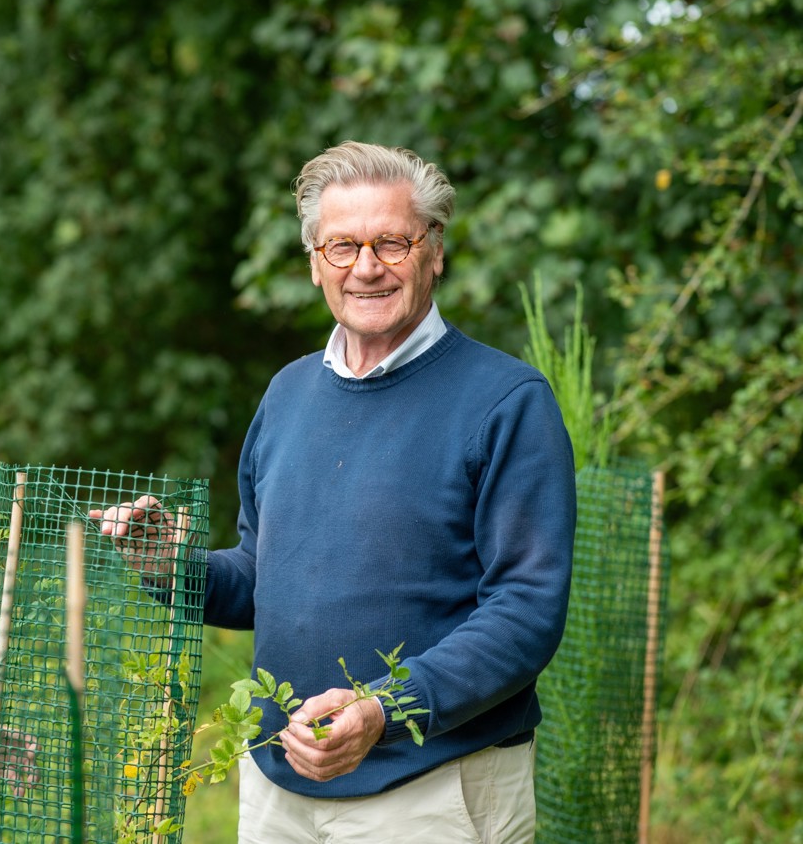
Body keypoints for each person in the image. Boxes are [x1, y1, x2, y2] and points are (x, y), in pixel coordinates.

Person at [97, 141, 576, 842]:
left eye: (391, 242)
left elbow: (527, 610)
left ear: (434, 250)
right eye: (343, 246)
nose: (367, 267)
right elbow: (263, 573)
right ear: (315, 261)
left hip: (432, 789)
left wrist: (385, 706)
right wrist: (171, 566)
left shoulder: (505, 402)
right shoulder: (288, 393)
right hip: (277, 787)